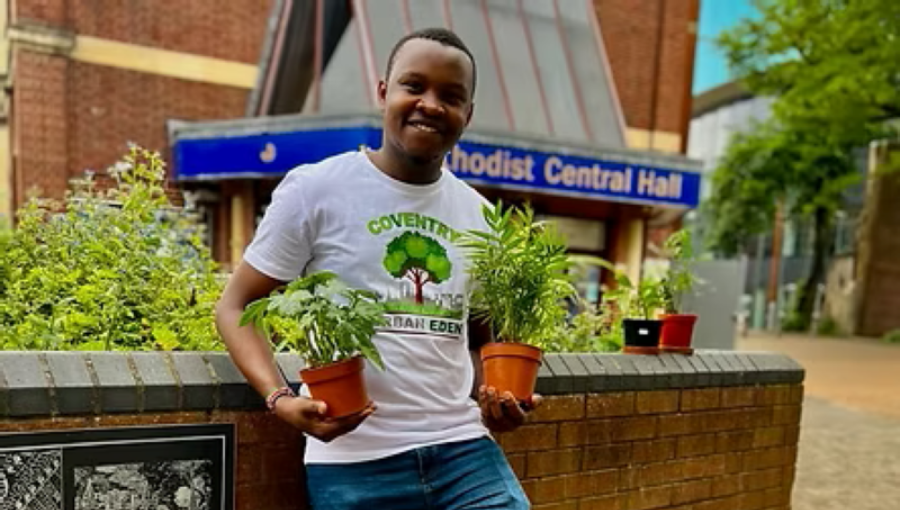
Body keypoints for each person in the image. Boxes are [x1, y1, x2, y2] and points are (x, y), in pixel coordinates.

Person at [215, 28, 538, 509]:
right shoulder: (315, 189)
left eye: (450, 96)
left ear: (467, 116)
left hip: (465, 451)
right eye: (414, 86)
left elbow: (479, 339)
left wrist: (497, 401)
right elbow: (236, 305)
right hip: (355, 459)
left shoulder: (478, 216)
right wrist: (280, 399)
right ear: (384, 90)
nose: (430, 104)